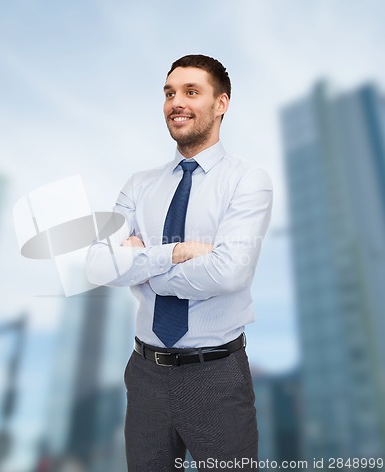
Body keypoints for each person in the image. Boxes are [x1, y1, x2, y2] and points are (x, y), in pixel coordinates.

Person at [86, 54, 273, 472]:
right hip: (145, 374)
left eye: (191, 92)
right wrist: (173, 253)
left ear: (221, 103)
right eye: (170, 93)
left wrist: (142, 270)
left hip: (216, 377)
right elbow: (98, 265)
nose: (176, 102)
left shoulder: (247, 180)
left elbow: (230, 271)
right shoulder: (139, 185)